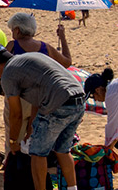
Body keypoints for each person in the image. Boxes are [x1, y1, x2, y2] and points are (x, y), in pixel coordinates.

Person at [0, 44, 86, 190]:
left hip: (58, 103)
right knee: (62, 149)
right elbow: (36, 102)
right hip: (78, 99)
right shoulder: (29, 59)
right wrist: (30, 130)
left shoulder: (8, 74)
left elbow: (16, 114)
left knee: (37, 153)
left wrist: (13, 141)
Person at [4, 12, 72, 152]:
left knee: (14, 132)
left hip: (18, 97)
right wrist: (63, 38)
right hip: (42, 98)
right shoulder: (45, 47)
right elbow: (67, 62)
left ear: (17, 30)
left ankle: (12, 160)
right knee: (34, 136)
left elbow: (2, 69)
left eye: (12, 30)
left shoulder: (12, 45)